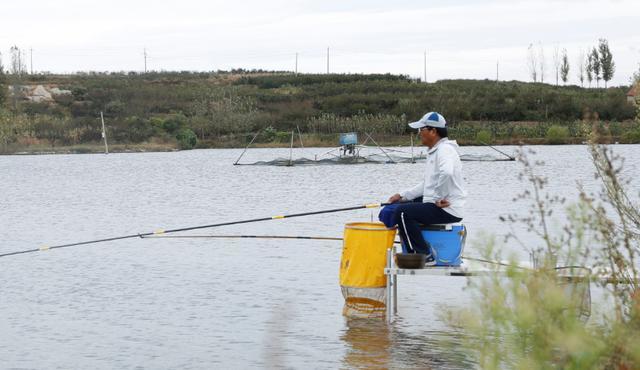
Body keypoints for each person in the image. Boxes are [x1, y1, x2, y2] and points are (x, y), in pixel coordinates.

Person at [386, 112, 466, 262]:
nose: (419, 133)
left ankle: (422, 255)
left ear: (433, 131)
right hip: (441, 205)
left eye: (421, 130)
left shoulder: (445, 150)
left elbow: (447, 173)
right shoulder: (436, 151)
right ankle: (416, 250)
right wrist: (402, 196)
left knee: (403, 213)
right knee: (403, 205)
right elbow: (427, 184)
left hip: (448, 208)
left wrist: (438, 198)